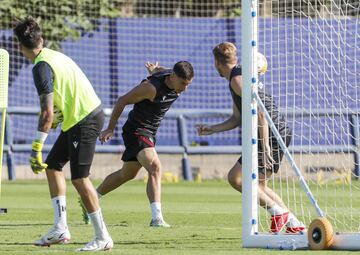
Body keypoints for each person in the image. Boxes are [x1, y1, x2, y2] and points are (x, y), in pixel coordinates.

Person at [13, 18, 113, 251]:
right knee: (53, 166)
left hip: (84, 119)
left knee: (79, 178)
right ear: (41, 39)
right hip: (79, 118)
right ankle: (60, 229)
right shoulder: (53, 55)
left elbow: (47, 113)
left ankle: (103, 237)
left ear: (20, 46)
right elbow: (61, 100)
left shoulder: (41, 66)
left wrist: (36, 147)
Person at [196, 42, 305, 233]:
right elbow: (238, 118)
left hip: (270, 132)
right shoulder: (236, 78)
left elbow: (261, 114)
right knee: (256, 184)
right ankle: (294, 224)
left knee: (237, 179)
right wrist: (213, 129)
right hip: (271, 131)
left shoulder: (237, 80)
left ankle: (278, 213)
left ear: (216, 63)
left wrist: (266, 146)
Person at [89, 61, 194, 227]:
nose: (185, 88)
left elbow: (162, 70)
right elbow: (121, 100)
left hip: (150, 132)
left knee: (127, 174)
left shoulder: (171, 75)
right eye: (183, 84)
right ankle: (157, 218)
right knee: (155, 167)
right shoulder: (150, 88)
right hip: (136, 130)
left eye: (188, 84)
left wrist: (154, 69)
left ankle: (90, 199)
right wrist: (110, 128)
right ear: (173, 77)